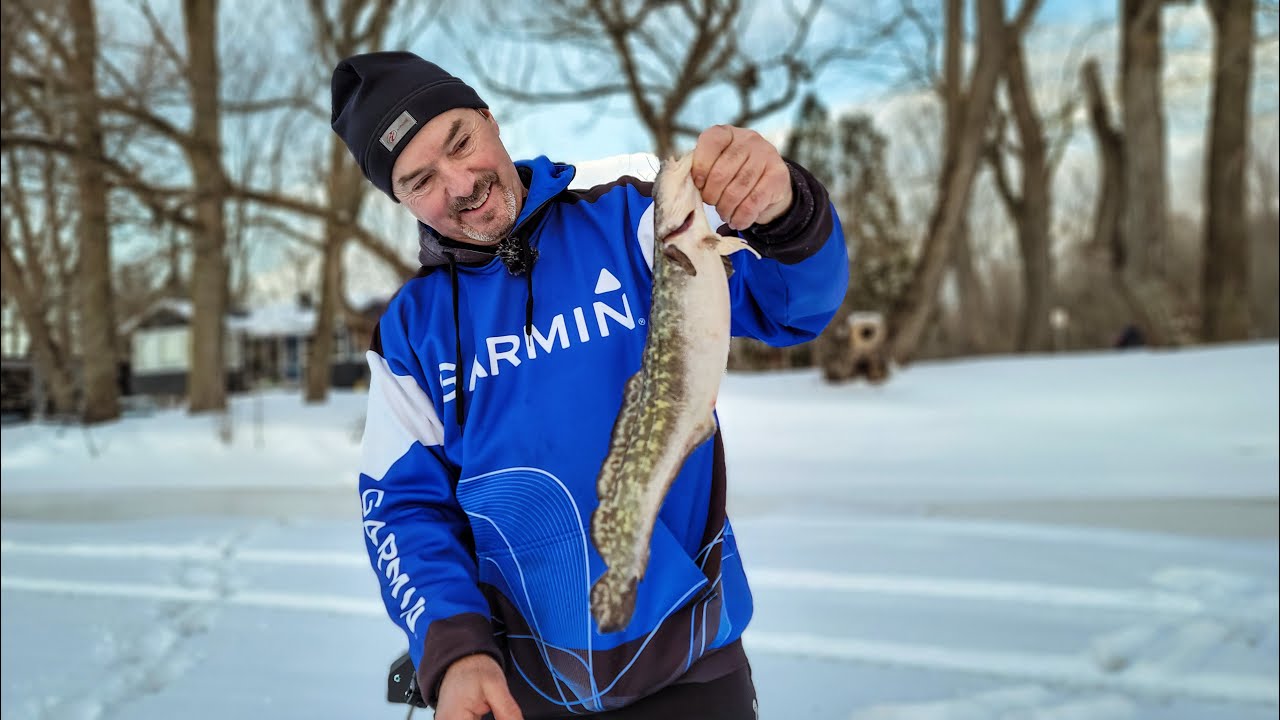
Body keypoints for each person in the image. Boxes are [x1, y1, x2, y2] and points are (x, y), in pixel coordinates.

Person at [331, 51, 848, 720]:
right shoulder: (411, 333)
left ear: (490, 119)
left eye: (460, 141)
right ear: (397, 199)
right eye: (420, 179)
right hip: (525, 691)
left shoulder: (630, 213)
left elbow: (792, 306)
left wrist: (782, 209)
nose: (459, 185)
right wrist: (455, 649)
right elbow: (402, 510)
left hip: (692, 668)